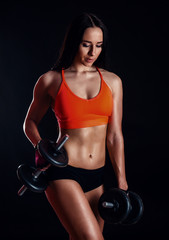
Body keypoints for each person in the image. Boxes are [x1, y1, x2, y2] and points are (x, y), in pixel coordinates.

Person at [23, 12, 128, 240]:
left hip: (97, 178)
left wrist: (121, 180)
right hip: (64, 172)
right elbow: (29, 122)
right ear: (74, 43)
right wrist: (42, 147)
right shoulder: (51, 80)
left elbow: (115, 136)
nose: (93, 53)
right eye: (86, 45)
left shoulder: (113, 82)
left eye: (99, 46)